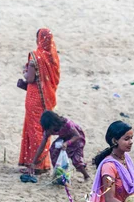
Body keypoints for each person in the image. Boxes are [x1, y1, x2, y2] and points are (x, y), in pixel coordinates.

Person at [18, 29, 60, 175]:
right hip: (47, 99)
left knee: (34, 129)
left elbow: (30, 79)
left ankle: (36, 165)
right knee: (43, 128)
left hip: (34, 98)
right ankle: (43, 163)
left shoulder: (36, 57)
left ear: (39, 39)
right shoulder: (53, 58)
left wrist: (24, 73)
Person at [31, 110, 90, 180]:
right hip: (64, 137)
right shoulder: (48, 130)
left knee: (76, 160)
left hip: (76, 138)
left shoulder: (67, 124)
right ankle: (58, 173)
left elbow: (77, 136)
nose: (49, 131)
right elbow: (41, 146)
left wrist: (67, 143)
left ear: (54, 123)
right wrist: (33, 163)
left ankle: (86, 175)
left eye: (49, 128)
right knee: (53, 150)